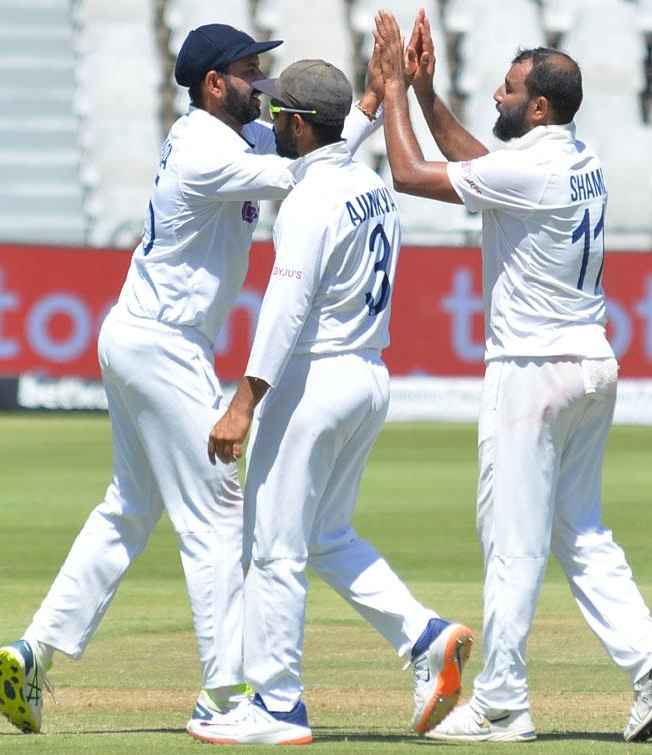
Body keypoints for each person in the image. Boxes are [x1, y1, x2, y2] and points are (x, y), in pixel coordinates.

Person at [0, 24, 384, 737]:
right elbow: (310, 172)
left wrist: (373, 104)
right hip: (163, 343)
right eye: (248, 73)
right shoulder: (208, 150)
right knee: (220, 512)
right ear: (213, 83)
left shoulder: (229, 138)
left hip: (142, 334)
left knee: (128, 508)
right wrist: (369, 115)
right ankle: (223, 694)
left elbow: (309, 143)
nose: (262, 87)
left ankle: (36, 648)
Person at [371, 11, 652, 743]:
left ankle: (502, 702)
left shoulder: (534, 164)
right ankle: (651, 658)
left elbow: (408, 173)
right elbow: (480, 166)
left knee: (512, 541)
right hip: (591, 366)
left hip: (532, 372)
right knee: (580, 531)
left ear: (539, 105)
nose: (497, 94)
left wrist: (391, 86)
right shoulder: (574, 155)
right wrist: (425, 96)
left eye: (509, 89)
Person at [189, 58, 473, 746]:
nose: (269, 122)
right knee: (327, 536)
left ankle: (278, 703)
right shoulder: (367, 182)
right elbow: (338, 151)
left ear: (294, 122)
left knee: (276, 549)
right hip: (368, 375)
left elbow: (285, 307)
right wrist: (379, 98)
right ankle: (425, 635)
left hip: (314, 382)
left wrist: (243, 401)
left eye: (276, 114)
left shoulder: (310, 201)